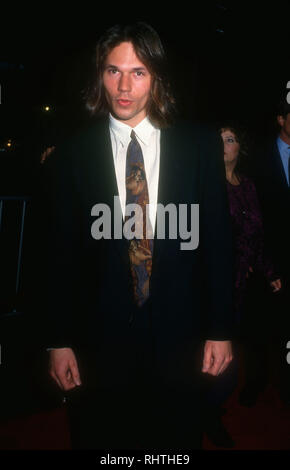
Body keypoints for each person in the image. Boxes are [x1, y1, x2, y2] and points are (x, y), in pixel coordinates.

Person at [35, 22, 234, 450]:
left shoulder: (198, 146)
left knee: (174, 446)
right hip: (98, 341)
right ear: (99, 75)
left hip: (181, 334)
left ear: (157, 76)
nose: (124, 86)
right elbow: (58, 255)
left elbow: (217, 240)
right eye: (113, 71)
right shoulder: (71, 154)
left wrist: (220, 328)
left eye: (138, 72)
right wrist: (58, 339)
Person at [203, 123, 281, 448]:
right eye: (219, 140)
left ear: (240, 148)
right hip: (210, 285)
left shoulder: (248, 185)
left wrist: (267, 269)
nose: (225, 145)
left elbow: (256, 237)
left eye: (231, 139)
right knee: (215, 354)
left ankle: (207, 402)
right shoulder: (205, 185)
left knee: (229, 353)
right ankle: (204, 412)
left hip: (240, 286)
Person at [252, 100, 290, 405]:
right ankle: (258, 381)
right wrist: (262, 262)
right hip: (269, 259)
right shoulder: (259, 157)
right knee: (264, 326)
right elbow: (253, 214)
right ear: (281, 119)